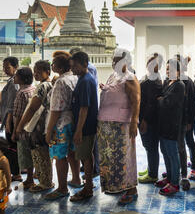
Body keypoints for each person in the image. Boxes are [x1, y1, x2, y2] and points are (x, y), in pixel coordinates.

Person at [97, 48, 140, 205]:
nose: (114, 63)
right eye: (113, 60)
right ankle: (117, 186)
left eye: (117, 60)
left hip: (121, 124)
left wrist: (134, 122)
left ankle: (131, 189)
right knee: (111, 158)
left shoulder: (129, 78)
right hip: (106, 124)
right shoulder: (114, 76)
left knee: (124, 157)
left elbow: (136, 101)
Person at [45, 51, 81, 200]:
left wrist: (49, 130)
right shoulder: (74, 78)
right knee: (72, 152)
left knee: (59, 156)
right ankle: (77, 179)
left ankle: (62, 188)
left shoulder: (60, 82)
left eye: (53, 64)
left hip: (60, 123)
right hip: (73, 120)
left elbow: (56, 109)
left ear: (58, 67)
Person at [15, 60, 54, 193]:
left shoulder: (43, 87)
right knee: (44, 155)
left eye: (39, 70)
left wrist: (20, 125)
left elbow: (32, 108)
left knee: (40, 155)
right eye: (35, 70)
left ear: (47, 72)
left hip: (38, 126)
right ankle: (47, 180)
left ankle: (45, 183)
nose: (35, 73)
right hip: (45, 125)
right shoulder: (49, 84)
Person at [69, 52, 98, 202]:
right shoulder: (83, 79)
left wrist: (79, 130)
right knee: (87, 155)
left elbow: (84, 108)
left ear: (85, 64)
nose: (72, 69)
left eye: (75, 66)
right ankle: (89, 183)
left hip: (85, 126)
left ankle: (87, 189)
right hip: (86, 125)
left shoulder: (86, 81)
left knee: (85, 157)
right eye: (71, 66)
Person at [155, 59, 185, 196]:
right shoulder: (168, 82)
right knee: (165, 152)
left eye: (171, 69)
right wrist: (162, 100)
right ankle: (169, 177)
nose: (168, 71)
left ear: (178, 72)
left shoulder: (179, 85)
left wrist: (161, 100)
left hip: (172, 125)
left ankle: (174, 183)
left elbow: (167, 103)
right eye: (167, 69)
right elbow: (163, 99)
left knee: (173, 154)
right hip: (162, 124)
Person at [138, 53, 163, 184]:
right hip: (145, 117)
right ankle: (150, 169)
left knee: (151, 146)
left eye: (154, 62)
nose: (151, 64)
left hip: (150, 120)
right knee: (149, 146)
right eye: (149, 61)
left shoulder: (153, 80)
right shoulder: (149, 77)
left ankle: (153, 174)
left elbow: (151, 103)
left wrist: (145, 120)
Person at [11, 67, 36, 190]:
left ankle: (29, 179)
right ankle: (31, 178)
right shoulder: (33, 89)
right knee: (31, 153)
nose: (14, 77)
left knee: (25, 154)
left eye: (16, 75)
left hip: (23, 128)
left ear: (22, 78)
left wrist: (16, 130)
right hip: (32, 127)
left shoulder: (22, 93)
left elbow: (19, 114)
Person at [0, 57, 21, 182]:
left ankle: (16, 173)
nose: (5, 70)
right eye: (4, 67)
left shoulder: (14, 83)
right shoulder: (11, 81)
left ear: (15, 66)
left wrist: (8, 122)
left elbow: (12, 106)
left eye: (7, 67)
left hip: (11, 120)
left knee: (12, 147)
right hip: (8, 119)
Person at [175, 55, 195, 189]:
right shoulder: (170, 80)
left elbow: (191, 103)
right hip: (174, 121)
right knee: (176, 147)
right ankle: (176, 170)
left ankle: (188, 170)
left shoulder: (188, 82)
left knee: (186, 145)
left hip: (184, 120)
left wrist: (189, 121)